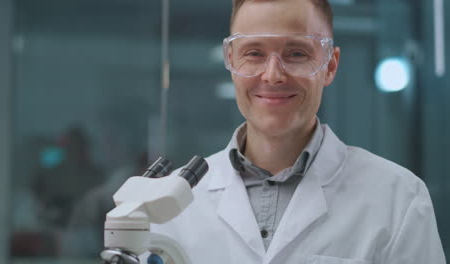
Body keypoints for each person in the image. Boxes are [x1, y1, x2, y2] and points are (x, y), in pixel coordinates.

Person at [152, 0, 446, 263]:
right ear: (231, 60)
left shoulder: (398, 198)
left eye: (296, 53)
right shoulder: (172, 204)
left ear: (329, 65)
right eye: (253, 53)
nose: (273, 75)